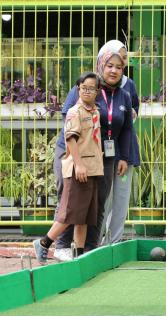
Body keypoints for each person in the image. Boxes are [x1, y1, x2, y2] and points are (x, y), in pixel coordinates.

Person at [51, 44, 133, 260]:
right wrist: (76, 160)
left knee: (97, 203)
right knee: (71, 200)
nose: (114, 70)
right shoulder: (87, 86)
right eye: (109, 65)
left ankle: (89, 249)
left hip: (104, 156)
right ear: (101, 64)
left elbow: (126, 129)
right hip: (74, 152)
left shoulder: (124, 95)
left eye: (119, 67)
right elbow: (69, 122)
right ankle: (61, 246)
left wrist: (124, 157)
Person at [33, 72, 103, 264]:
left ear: (97, 91)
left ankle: (79, 256)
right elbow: (71, 139)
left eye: (91, 88)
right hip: (78, 169)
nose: (87, 91)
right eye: (83, 88)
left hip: (92, 169)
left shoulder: (95, 112)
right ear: (78, 89)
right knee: (70, 213)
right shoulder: (74, 112)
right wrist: (78, 165)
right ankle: (44, 243)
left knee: (84, 217)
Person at [97, 40, 141, 245]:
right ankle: (96, 242)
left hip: (125, 149)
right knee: (103, 199)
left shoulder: (128, 85)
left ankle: (114, 242)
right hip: (102, 151)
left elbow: (134, 111)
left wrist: (132, 113)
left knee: (121, 199)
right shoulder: (93, 84)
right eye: (113, 60)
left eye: (123, 59)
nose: (118, 65)